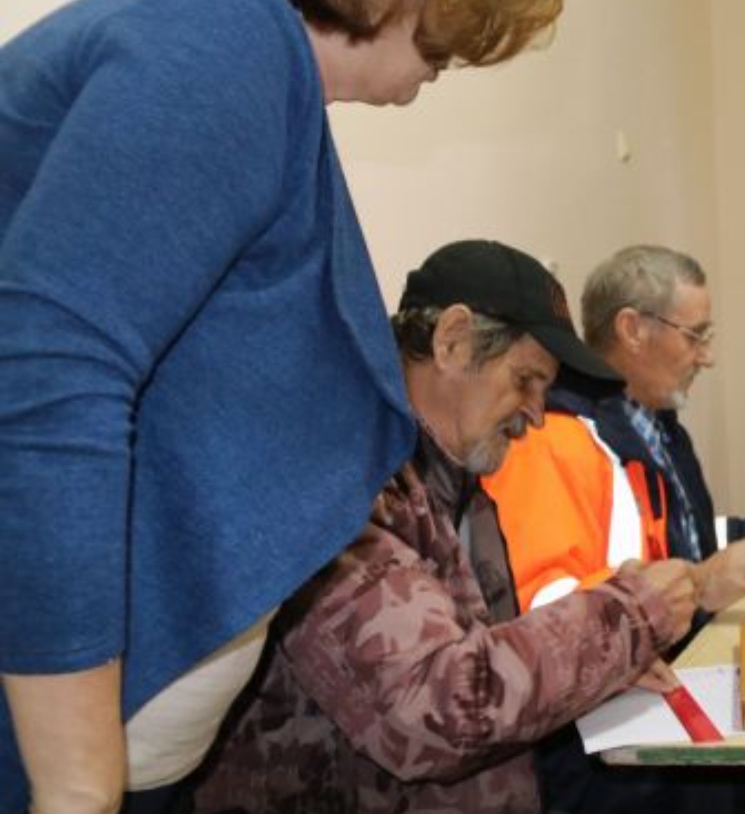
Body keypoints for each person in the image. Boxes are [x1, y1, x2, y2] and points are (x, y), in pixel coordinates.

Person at [0, 0, 569, 810]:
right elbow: (51, 381)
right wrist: (76, 787)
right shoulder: (226, 37)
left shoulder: (256, 66)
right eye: (465, 8)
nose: (460, 50)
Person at [191, 240, 697, 812]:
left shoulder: (458, 485)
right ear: (452, 340)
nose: (536, 413)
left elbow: (490, 660)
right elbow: (441, 707)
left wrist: (601, 667)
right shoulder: (342, 485)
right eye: (526, 380)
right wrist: (629, 618)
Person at [483, 245, 745, 814]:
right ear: (632, 329)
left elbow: (680, 539)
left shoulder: (656, 426)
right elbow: (547, 606)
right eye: (695, 335)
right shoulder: (556, 439)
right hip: (600, 740)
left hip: (654, 679)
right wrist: (697, 585)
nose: (707, 357)